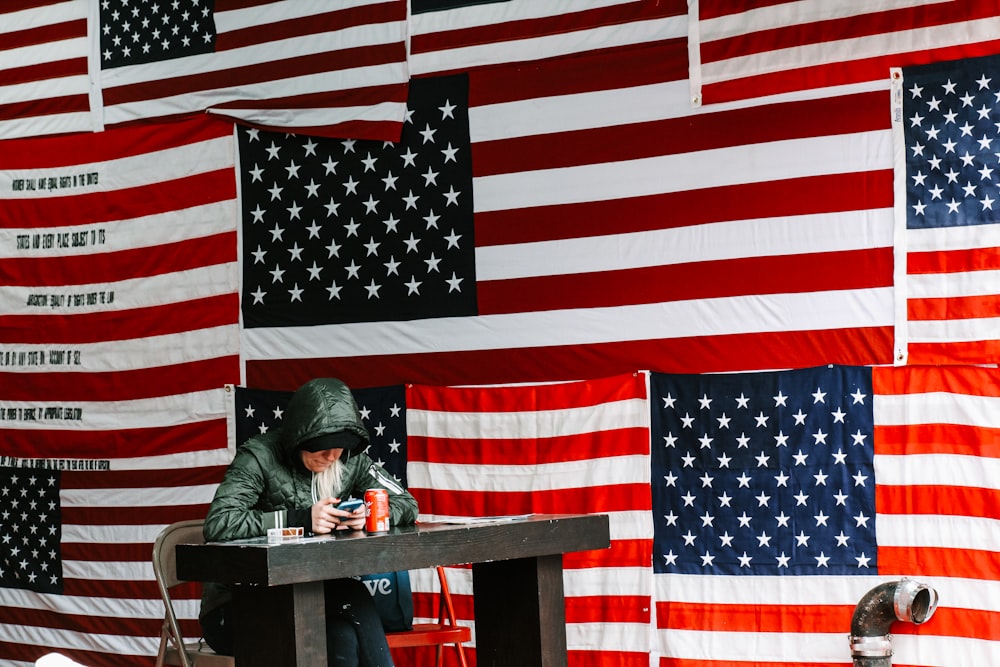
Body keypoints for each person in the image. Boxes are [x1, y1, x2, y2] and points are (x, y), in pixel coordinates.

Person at [199, 377, 419, 667]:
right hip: (239, 606)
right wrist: (300, 519)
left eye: (338, 449)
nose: (330, 457)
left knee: (342, 636)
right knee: (351, 594)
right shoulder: (259, 456)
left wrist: (370, 515)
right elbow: (219, 523)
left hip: (314, 598)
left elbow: (407, 502)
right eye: (321, 449)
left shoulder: (350, 459)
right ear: (299, 441)